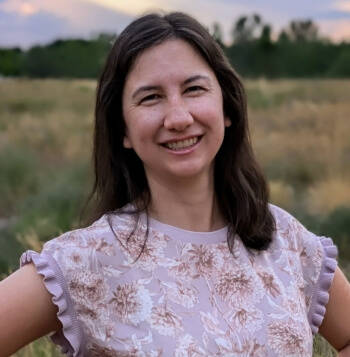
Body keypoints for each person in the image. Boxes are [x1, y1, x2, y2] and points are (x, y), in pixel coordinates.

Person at [0, 11, 350, 357]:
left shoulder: (286, 242)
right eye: (151, 97)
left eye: (194, 89)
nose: (179, 118)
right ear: (122, 129)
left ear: (226, 107)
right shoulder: (86, 262)